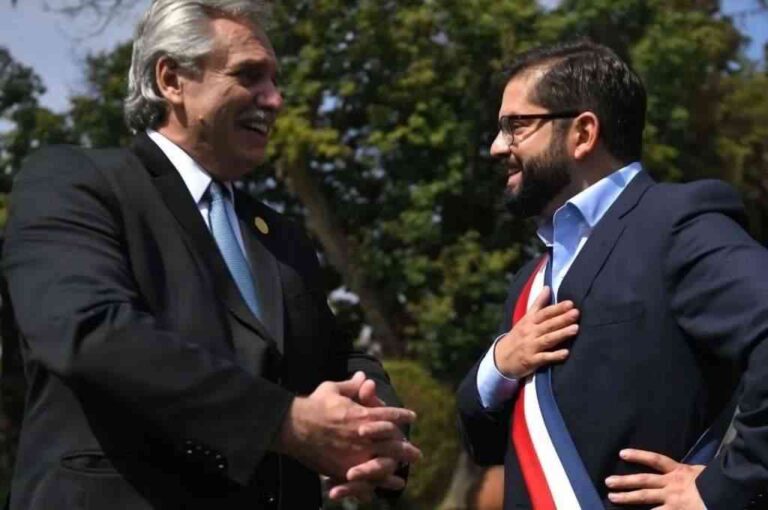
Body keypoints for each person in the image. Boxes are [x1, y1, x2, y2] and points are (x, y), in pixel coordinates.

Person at [1, 0, 421, 508]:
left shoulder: (278, 234)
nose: (274, 100)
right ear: (172, 80)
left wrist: (379, 433)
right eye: (249, 76)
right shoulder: (77, 182)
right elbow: (90, 332)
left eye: (274, 81)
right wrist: (281, 422)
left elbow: (335, 358)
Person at [456, 40, 768, 510]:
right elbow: (485, 445)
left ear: (582, 133)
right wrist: (499, 364)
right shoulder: (530, 281)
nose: (498, 146)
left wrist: (727, 487)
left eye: (517, 126)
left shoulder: (676, 223)